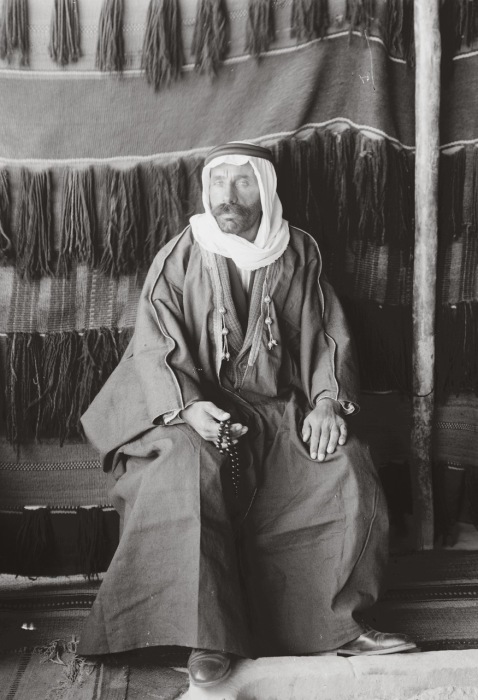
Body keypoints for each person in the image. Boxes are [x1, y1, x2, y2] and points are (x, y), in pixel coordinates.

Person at [78, 141, 416, 687]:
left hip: (275, 408)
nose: (227, 196)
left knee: (343, 462)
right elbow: (154, 344)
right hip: (186, 408)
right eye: (218, 182)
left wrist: (326, 403)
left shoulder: (297, 250)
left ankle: (336, 625)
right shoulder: (180, 254)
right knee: (188, 471)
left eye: (242, 182)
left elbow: (325, 333)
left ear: (266, 188)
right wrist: (190, 408)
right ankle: (205, 638)